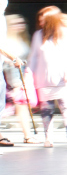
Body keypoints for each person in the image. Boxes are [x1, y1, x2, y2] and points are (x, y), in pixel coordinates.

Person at [28, 6, 67, 149]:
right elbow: (33, 57)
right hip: (43, 78)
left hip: (64, 79)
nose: (41, 24)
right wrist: (28, 72)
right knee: (46, 111)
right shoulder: (38, 35)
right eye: (40, 21)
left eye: (44, 21)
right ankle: (48, 138)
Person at [1, 15, 34, 145]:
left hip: (21, 77)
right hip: (13, 79)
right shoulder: (7, 41)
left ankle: (27, 135)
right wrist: (16, 83)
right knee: (20, 106)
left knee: (22, 106)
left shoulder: (23, 39)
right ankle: (27, 135)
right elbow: (8, 64)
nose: (19, 25)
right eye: (15, 23)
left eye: (21, 22)